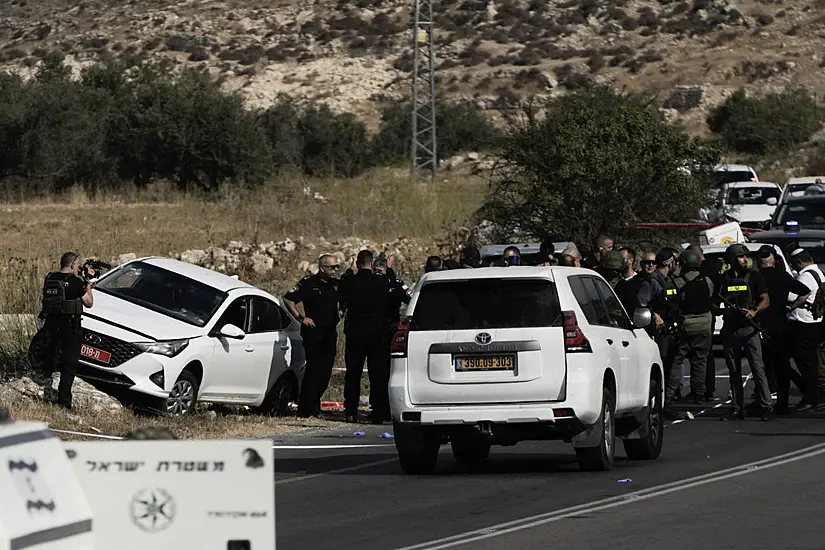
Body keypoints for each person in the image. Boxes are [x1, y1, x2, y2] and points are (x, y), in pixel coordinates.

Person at [716, 243, 772, 420]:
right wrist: (723, 310)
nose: (745, 259)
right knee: (734, 371)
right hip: (731, 328)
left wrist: (754, 311)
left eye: (746, 256)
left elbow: (765, 300)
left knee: (757, 368)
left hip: (750, 329)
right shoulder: (724, 279)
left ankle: (766, 406)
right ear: (732, 260)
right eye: (741, 256)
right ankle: (736, 407)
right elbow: (715, 302)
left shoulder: (755, 277)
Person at [283, 254, 342, 418]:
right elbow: (288, 299)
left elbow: (346, 298)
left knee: (325, 371)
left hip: (329, 332)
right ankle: (306, 408)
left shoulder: (336, 284)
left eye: (337, 267)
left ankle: (315, 404)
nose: (335, 270)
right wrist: (301, 318)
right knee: (314, 370)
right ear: (322, 268)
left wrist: (341, 311)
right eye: (332, 267)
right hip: (313, 332)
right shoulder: (308, 283)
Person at [339, 250, 393, 424]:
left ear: (357, 263)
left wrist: (348, 272)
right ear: (371, 263)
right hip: (377, 334)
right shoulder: (381, 282)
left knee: (353, 373)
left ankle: (351, 411)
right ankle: (377, 412)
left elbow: (342, 293)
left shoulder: (349, 282)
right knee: (377, 373)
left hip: (355, 332)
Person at [756, 247, 808, 414]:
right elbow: (804, 292)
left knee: (761, 366)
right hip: (779, 324)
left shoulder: (755, 277)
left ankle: (762, 400)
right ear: (774, 262)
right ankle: (783, 402)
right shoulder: (782, 276)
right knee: (782, 365)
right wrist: (791, 307)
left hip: (758, 325)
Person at [39, 252, 94, 410]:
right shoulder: (76, 282)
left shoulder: (50, 278)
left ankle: (45, 387)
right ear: (72, 265)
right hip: (70, 327)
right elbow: (89, 303)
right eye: (76, 265)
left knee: (51, 358)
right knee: (69, 365)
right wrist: (88, 284)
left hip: (51, 325)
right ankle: (64, 403)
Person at [637, 249, 685, 420]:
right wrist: (655, 316)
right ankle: (659, 406)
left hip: (670, 331)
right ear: (669, 263)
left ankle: (666, 403)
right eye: (674, 262)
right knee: (661, 368)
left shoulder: (668, 281)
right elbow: (642, 304)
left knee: (670, 366)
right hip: (658, 333)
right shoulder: (650, 283)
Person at [669, 249, 714, 404]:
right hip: (704, 325)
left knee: (676, 360)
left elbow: (671, 301)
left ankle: (670, 393)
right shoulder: (707, 281)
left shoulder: (677, 282)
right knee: (700, 361)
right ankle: (699, 393)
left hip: (685, 326)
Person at [786, 248, 825, 412]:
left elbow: (794, 296)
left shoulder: (805, 276)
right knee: (813, 362)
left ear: (799, 262)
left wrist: (790, 307)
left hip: (804, 324)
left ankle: (810, 398)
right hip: (817, 322)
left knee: (806, 363)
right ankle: (816, 395)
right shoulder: (820, 273)